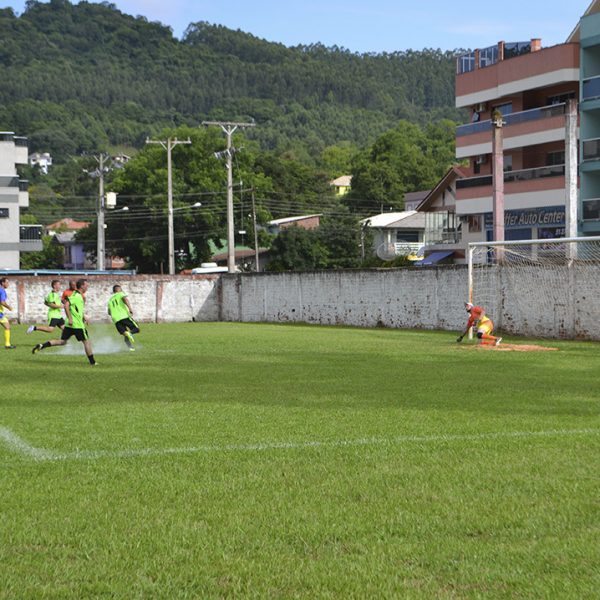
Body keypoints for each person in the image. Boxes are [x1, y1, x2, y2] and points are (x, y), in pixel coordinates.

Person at [32, 279, 97, 366]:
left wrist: (83, 316)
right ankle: (92, 362)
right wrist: (70, 318)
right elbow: (66, 305)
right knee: (86, 342)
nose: (87, 287)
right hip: (77, 325)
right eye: (86, 285)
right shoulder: (77, 296)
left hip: (69, 325)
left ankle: (42, 345)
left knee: (62, 342)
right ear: (82, 286)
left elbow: (75, 309)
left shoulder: (75, 294)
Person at [107, 284, 140, 351]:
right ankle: (130, 334)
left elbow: (109, 312)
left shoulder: (110, 300)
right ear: (117, 290)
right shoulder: (120, 294)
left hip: (115, 319)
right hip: (124, 316)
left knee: (125, 333)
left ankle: (131, 348)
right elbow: (125, 300)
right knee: (136, 329)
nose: (122, 290)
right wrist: (130, 309)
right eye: (120, 289)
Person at [0, 277, 16, 349]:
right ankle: (7, 345)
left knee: (7, 326)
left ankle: (7, 345)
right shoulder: (2, 291)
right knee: (7, 327)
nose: (8, 284)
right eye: (7, 282)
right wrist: (9, 307)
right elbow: (2, 302)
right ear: (3, 283)